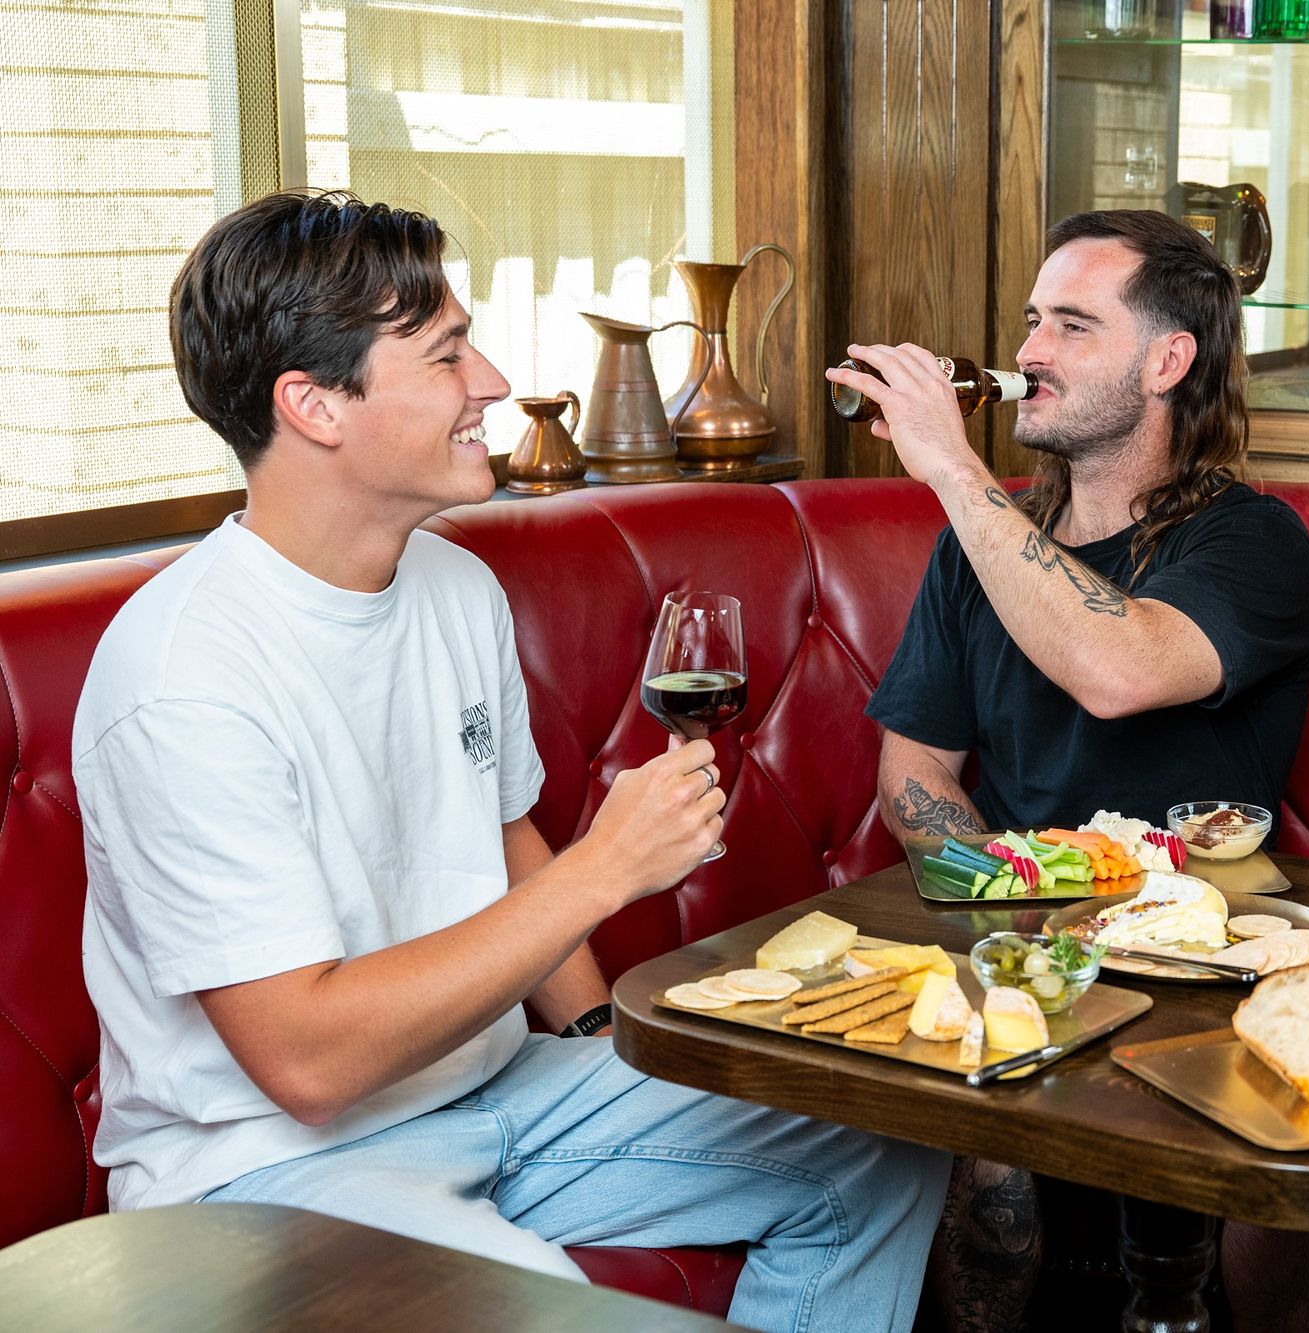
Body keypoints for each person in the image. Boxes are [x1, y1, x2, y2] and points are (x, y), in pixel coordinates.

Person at [75, 189, 947, 1333]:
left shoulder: (453, 586)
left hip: (500, 1091)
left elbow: (500, 837)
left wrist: (601, 1049)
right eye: (444, 356)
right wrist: (606, 871)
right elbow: (309, 1062)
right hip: (264, 1171)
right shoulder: (182, 680)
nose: (489, 381)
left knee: (876, 1137)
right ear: (313, 406)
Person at [829, 209, 1309, 1331]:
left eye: (1071, 324)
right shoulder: (980, 550)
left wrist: (953, 468)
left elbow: (1116, 665)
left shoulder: (1250, 541)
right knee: (979, 1153)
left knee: (1297, 1166)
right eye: (1030, 322)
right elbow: (912, 765)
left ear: (1166, 360)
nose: (1031, 350)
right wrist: (1007, 902)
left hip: (1204, 958)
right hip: (1011, 949)